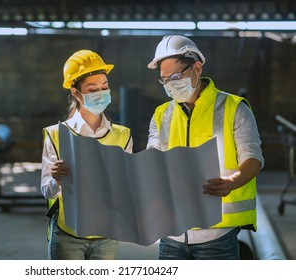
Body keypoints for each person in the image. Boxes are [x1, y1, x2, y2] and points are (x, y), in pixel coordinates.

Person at [146, 35, 264, 260]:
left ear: (197, 67)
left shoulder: (233, 108)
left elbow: (252, 158)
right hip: (171, 234)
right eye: (165, 80)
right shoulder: (162, 114)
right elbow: (154, 157)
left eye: (176, 76)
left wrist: (233, 181)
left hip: (217, 235)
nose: (170, 84)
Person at [41, 50, 133, 260]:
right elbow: (47, 191)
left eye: (105, 87)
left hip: (107, 234)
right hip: (68, 234)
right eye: (93, 89)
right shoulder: (56, 135)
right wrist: (57, 179)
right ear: (76, 92)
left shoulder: (123, 135)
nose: (100, 93)